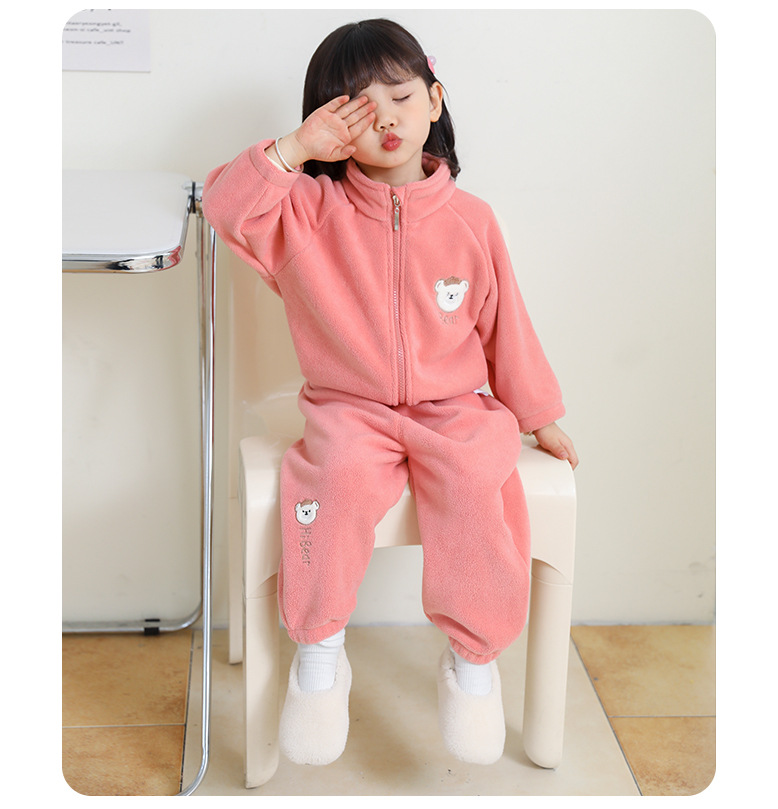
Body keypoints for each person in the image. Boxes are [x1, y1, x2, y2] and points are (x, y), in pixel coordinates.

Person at [203, 18, 578, 768]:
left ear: (435, 101)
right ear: (329, 125)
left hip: (456, 409)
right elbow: (225, 206)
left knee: (476, 484)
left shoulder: (472, 221)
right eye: (356, 110)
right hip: (347, 410)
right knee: (332, 482)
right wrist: (295, 150)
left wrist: (539, 414)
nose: (385, 120)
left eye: (401, 98)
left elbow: (506, 325)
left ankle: (472, 664)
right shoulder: (306, 215)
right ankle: (320, 657)